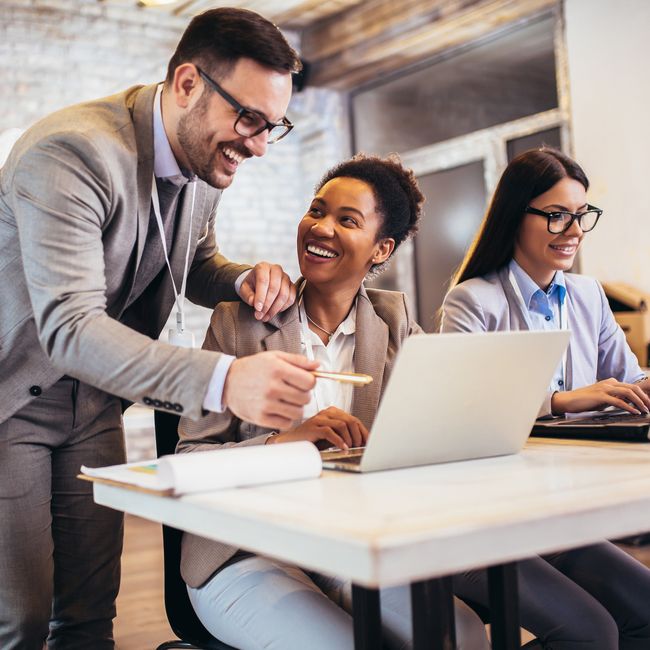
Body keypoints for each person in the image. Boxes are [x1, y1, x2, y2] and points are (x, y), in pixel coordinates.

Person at [0, 8, 321, 649]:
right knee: (21, 621)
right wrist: (225, 380)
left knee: (89, 616)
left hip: (92, 406)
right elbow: (68, 326)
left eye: (272, 126)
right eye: (248, 119)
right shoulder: (70, 153)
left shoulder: (205, 161)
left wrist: (238, 280)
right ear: (186, 84)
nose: (258, 145)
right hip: (12, 404)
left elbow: (188, 263)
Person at [176, 154, 491, 650]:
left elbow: (436, 432)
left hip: (348, 546)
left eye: (347, 220)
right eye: (317, 211)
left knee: (463, 635)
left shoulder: (394, 325)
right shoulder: (237, 323)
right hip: (249, 548)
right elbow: (190, 460)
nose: (320, 228)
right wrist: (286, 442)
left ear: (381, 248)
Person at [441, 147, 650, 649]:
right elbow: (460, 413)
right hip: (482, 522)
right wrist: (561, 401)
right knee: (592, 632)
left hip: (554, 516)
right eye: (557, 215)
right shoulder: (472, 301)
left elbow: (626, 382)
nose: (573, 230)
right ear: (517, 215)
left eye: (581, 216)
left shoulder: (587, 295)